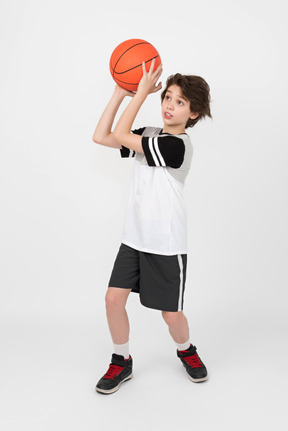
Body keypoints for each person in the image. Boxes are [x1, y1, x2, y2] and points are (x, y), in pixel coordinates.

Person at [92, 59, 212, 394]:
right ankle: (122, 360)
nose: (169, 105)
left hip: (166, 243)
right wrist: (119, 93)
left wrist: (141, 93)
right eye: (167, 97)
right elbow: (102, 136)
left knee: (171, 316)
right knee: (113, 300)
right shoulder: (149, 134)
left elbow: (119, 133)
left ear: (194, 114)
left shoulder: (177, 146)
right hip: (134, 239)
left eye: (180, 102)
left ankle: (186, 350)